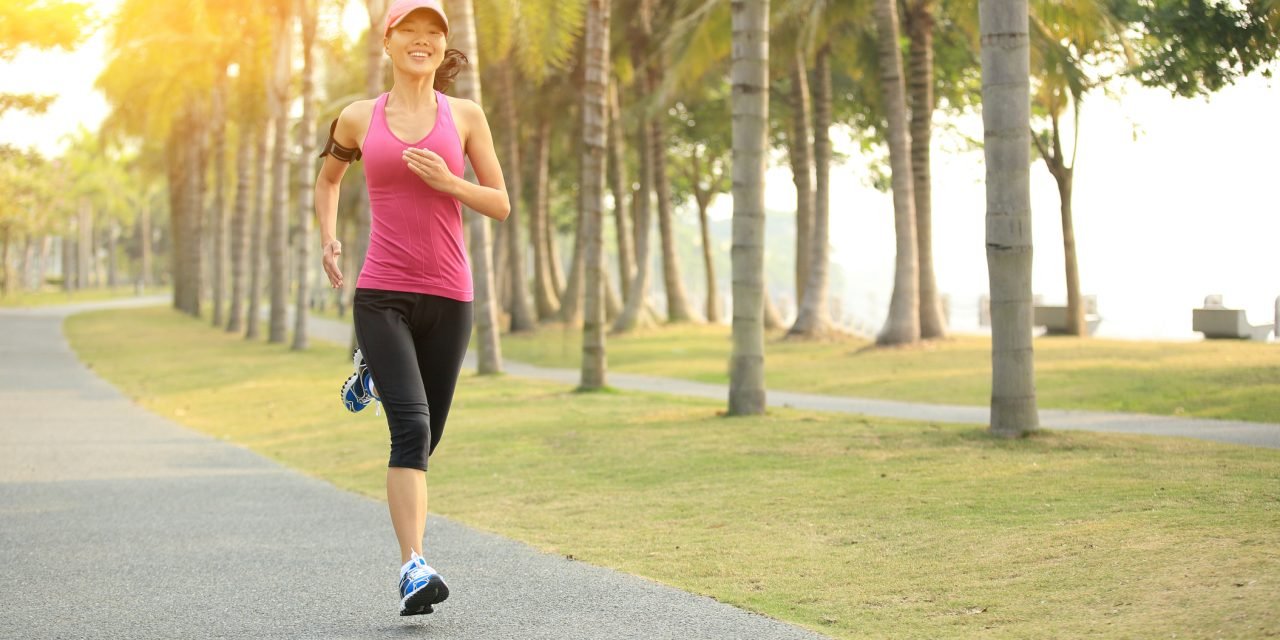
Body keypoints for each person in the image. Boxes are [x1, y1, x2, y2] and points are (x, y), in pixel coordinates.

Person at [313, 0, 510, 617]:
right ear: (388, 41)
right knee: (412, 429)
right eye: (410, 32)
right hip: (382, 293)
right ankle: (413, 567)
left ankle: (373, 370)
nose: (421, 41)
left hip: (450, 296)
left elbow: (501, 203)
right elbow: (328, 179)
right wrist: (329, 236)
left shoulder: (466, 116)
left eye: (433, 33)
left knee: (429, 439)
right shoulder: (356, 118)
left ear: (441, 47)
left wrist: (450, 183)